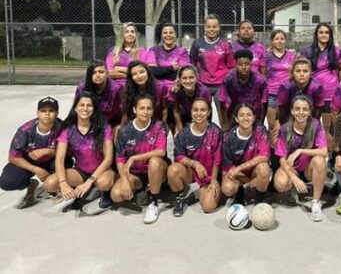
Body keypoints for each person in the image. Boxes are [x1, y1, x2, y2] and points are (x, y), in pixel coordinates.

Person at [43, 92, 116, 211]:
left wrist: (89, 182)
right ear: (75, 108)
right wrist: (63, 183)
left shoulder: (104, 127)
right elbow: (60, 159)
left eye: (89, 105)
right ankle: (84, 189)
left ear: (94, 109)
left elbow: (108, 159)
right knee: (50, 183)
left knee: (104, 183)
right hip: (81, 171)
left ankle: (101, 192)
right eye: (82, 105)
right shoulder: (67, 129)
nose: (85, 108)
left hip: (102, 171)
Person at [111, 94, 168, 224]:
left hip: (156, 170)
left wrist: (134, 158)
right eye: (142, 108)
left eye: (149, 108)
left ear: (153, 110)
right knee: (116, 195)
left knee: (154, 161)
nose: (145, 111)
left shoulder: (158, 126)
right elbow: (120, 159)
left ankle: (153, 201)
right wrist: (125, 180)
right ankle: (142, 190)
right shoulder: (125, 131)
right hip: (136, 174)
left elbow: (161, 151)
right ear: (134, 110)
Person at [0, 97, 61, 209]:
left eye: (51, 111)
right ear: (37, 113)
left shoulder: (63, 128)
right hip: (29, 161)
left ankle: (53, 187)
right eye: (43, 111)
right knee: (7, 182)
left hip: (52, 160)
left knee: (66, 171)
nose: (47, 114)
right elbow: (13, 157)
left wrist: (48, 151)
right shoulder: (25, 130)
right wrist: (36, 169)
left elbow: (71, 152)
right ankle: (32, 184)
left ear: (57, 113)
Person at [273, 96, 328, 222]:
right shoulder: (285, 129)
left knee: (320, 160)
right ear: (292, 111)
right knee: (280, 183)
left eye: (305, 109)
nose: (301, 112)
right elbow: (282, 159)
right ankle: (293, 188)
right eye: (297, 109)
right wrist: (294, 178)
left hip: (309, 168)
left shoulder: (315, 124)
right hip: (292, 168)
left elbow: (324, 151)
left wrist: (300, 151)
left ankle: (315, 202)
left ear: (309, 112)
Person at [167, 98, 223, 216]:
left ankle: (204, 191)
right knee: (173, 170)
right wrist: (194, 164)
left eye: (203, 110)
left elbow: (217, 160)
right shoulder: (184, 133)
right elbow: (178, 156)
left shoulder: (216, 132)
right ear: (191, 112)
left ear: (208, 112)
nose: (199, 113)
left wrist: (213, 180)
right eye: (195, 110)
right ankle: (180, 199)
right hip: (193, 173)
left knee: (208, 207)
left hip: (209, 175)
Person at [300, 22, 341, 139]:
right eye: (321, 32)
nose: (324, 35)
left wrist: (335, 82)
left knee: (330, 126)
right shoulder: (307, 51)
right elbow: (302, 69)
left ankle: (330, 153)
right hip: (312, 92)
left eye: (326, 32)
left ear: (330, 35)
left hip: (331, 93)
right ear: (316, 34)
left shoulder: (337, 51)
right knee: (311, 123)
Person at [221, 104, 271, 205]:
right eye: (242, 115)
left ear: (254, 118)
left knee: (264, 168)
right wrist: (248, 181)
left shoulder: (260, 130)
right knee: (227, 188)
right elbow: (230, 169)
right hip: (239, 175)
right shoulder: (228, 138)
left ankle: (259, 200)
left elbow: (264, 157)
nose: (246, 118)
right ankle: (240, 193)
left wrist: (239, 168)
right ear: (236, 119)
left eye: (249, 115)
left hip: (254, 170)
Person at [218, 49, 268, 132]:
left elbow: (264, 103)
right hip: (234, 114)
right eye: (240, 64)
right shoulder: (228, 79)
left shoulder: (260, 80)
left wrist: (261, 122)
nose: (244, 67)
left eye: (247, 64)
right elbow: (222, 101)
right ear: (236, 65)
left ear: (251, 64)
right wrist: (224, 123)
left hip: (254, 115)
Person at [262, 29, 296, 144]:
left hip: (287, 95)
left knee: (286, 125)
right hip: (272, 94)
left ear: (286, 41)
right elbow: (263, 74)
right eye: (276, 39)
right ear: (272, 41)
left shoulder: (292, 56)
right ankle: (272, 153)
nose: (279, 41)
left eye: (282, 39)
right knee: (272, 125)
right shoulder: (266, 57)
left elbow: (294, 74)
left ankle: (285, 149)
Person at [190, 14, 236, 97]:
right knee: (203, 109)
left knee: (221, 109)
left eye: (214, 27)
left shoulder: (225, 44)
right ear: (204, 28)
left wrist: (227, 81)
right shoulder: (197, 43)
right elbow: (192, 64)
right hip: (202, 84)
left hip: (221, 84)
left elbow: (232, 66)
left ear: (219, 28)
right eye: (208, 27)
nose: (211, 29)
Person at [276, 58, 324, 125]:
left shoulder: (317, 87)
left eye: (305, 71)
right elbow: (281, 109)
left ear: (311, 72)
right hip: (289, 118)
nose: (301, 74)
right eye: (298, 71)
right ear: (293, 72)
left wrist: (312, 125)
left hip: (310, 119)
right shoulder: (285, 86)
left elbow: (318, 109)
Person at [74, 60, 123, 126]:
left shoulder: (117, 89)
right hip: (88, 121)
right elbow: (77, 109)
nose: (98, 75)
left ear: (107, 74)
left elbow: (121, 111)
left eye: (101, 72)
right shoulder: (82, 88)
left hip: (112, 121)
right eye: (94, 72)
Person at [168, 65, 212, 137]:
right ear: (180, 80)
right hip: (185, 114)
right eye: (184, 78)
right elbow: (176, 110)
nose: (188, 81)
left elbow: (207, 111)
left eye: (191, 77)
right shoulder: (176, 90)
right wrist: (180, 129)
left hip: (200, 113)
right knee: (170, 108)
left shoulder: (204, 91)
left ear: (196, 78)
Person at [147, 20, 190, 91]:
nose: (168, 35)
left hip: (176, 88)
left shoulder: (182, 52)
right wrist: (172, 68)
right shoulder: (153, 50)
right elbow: (151, 71)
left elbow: (182, 73)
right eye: (165, 33)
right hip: (157, 88)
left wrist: (159, 71)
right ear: (161, 35)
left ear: (175, 35)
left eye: (171, 32)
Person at [121, 61, 168, 126]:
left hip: (156, 123)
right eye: (134, 74)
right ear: (131, 77)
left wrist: (162, 126)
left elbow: (164, 109)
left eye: (142, 72)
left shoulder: (161, 87)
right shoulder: (128, 90)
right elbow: (126, 113)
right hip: (136, 123)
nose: (139, 76)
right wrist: (122, 129)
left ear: (147, 72)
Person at [105, 22, 149, 87]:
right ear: (122, 34)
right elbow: (108, 72)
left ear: (135, 35)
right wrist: (129, 74)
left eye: (132, 32)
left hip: (135, 85)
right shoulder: (113, 51)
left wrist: (118, 68)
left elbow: (141, 72)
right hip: (115, 85)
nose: (130, 34)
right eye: (127, 31)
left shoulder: (142, 51)